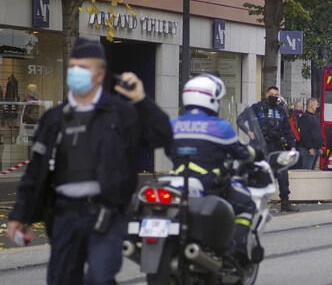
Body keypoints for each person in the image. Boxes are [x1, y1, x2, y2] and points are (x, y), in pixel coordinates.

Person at [6, 38, 172, 285]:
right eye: (73, 67)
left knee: (99, 278)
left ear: (99, 74)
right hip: (63, 217)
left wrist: (141, 100)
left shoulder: (120, 113)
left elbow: (162, 135)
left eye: (84, 68)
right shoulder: (54, 119)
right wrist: (20, 216)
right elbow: (36, 172)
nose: (76, 73)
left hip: (106, 218)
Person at [170, 74, 257, 260]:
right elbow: (241, 152)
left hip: (175, 184)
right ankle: (236, 253)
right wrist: (254, 155)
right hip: (207, 184)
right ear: (211, 99)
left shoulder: (173, 125)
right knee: (247, 205)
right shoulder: (220, 127)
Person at [249, 86, 299, 212]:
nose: (274, 96)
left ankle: (285, 203)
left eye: (276, 94)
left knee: (283, 175)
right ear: (266, 94)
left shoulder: (281, 110)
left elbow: (287, 129)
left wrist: (292, 145)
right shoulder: (257, 108)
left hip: (276, 146)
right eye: (271, 94)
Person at [297, 98, 324, 170]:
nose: (318, 107)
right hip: (308, 150)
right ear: (311, 106)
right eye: (317, 105)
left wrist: (319, 147)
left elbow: (315, 133)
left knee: (312, 171)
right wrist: (309, 148)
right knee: (306, 171)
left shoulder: (314, 117)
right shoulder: (305, 117)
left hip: (315, 149)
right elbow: (304, 133)